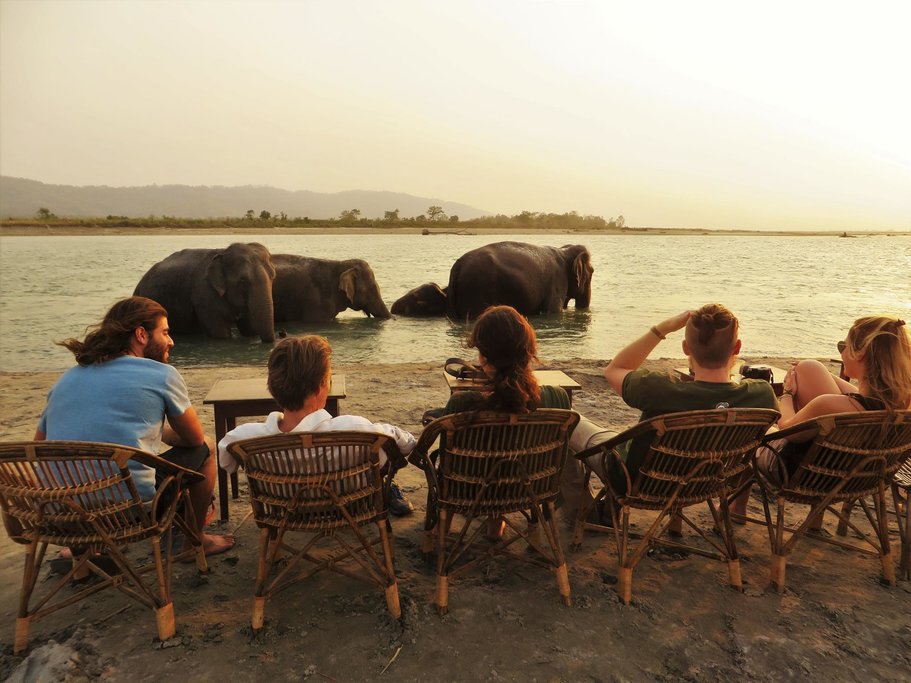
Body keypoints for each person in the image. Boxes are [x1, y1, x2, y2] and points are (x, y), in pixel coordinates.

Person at [36, 296, 235, 557]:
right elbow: (193, 439)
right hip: (127, 509)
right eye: (165, 332)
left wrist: (141, 427)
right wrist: (158, 430)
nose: (171, 341)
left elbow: (40, 445)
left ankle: (85, 551)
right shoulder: (161, 374)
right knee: (207, 448)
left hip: (59, 511)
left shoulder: (67, 378)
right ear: (141, 334)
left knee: (81, 471)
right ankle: (194, 543)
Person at [561, 304, 778, 523]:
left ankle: (584, 511)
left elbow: (614, 369)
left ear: (685, 348)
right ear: (737, 347)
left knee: (566, 419)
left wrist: (661, 330)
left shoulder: (659, 388)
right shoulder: (760, 395)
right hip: (709, 483)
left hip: (635, 481)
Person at [217, 335, 416, 515]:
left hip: (285, 511)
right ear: (322, 385)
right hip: (346, 508)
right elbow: (405, 445)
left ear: (273, 386)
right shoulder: (355, 429)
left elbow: (227, 463)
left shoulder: (243, 438)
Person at [437, 305, 571, 538]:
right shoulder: (557, 398)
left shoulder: (462, 404)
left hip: (470, 492)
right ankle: (497, 523)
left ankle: (443, 531)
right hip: (531, 489)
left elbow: (447, 462)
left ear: (484, 357)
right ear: (529, 351)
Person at [753, 315, 911, 489]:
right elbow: (856, 395)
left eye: (843, 346)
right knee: (809, 367)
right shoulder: (898, 405)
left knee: (752, 435)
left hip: (805, 475)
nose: (841, 353)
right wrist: (813, 371)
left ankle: (737, 508)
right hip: (860, 479)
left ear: (860, 353)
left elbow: (787, 430)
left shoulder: (830, 405)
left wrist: (788, 393)